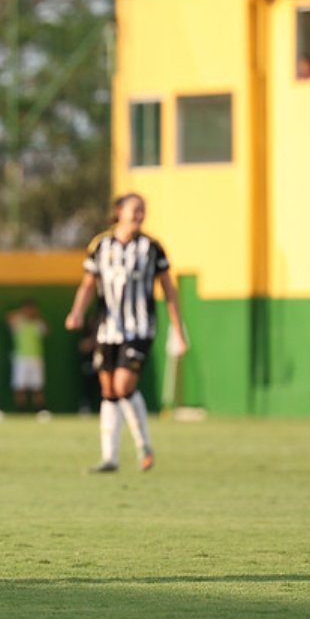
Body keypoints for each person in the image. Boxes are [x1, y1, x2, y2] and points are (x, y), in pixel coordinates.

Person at [65, 192, 188, 473]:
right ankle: (110, 457)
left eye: (143, 210)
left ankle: (144, 445)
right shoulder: (100, 245)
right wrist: (77, 312)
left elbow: (169, 290)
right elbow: (87, 284)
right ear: (118, 211)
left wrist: (178, 331)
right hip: (107, 329)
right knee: (108, 391)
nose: (139, 215)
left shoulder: (152, 248)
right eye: (135, 209)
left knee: (123, 386)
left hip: (139, 329)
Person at [6, 299, 48, 415]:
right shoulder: (18, 323)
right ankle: (21, 409)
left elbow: (47, 330)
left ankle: (40, 409)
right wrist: (22, 313)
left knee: (37, 386)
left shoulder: (38, 323)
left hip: (36, 358)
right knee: (20, 386)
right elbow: (9, 318)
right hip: (21, 359)